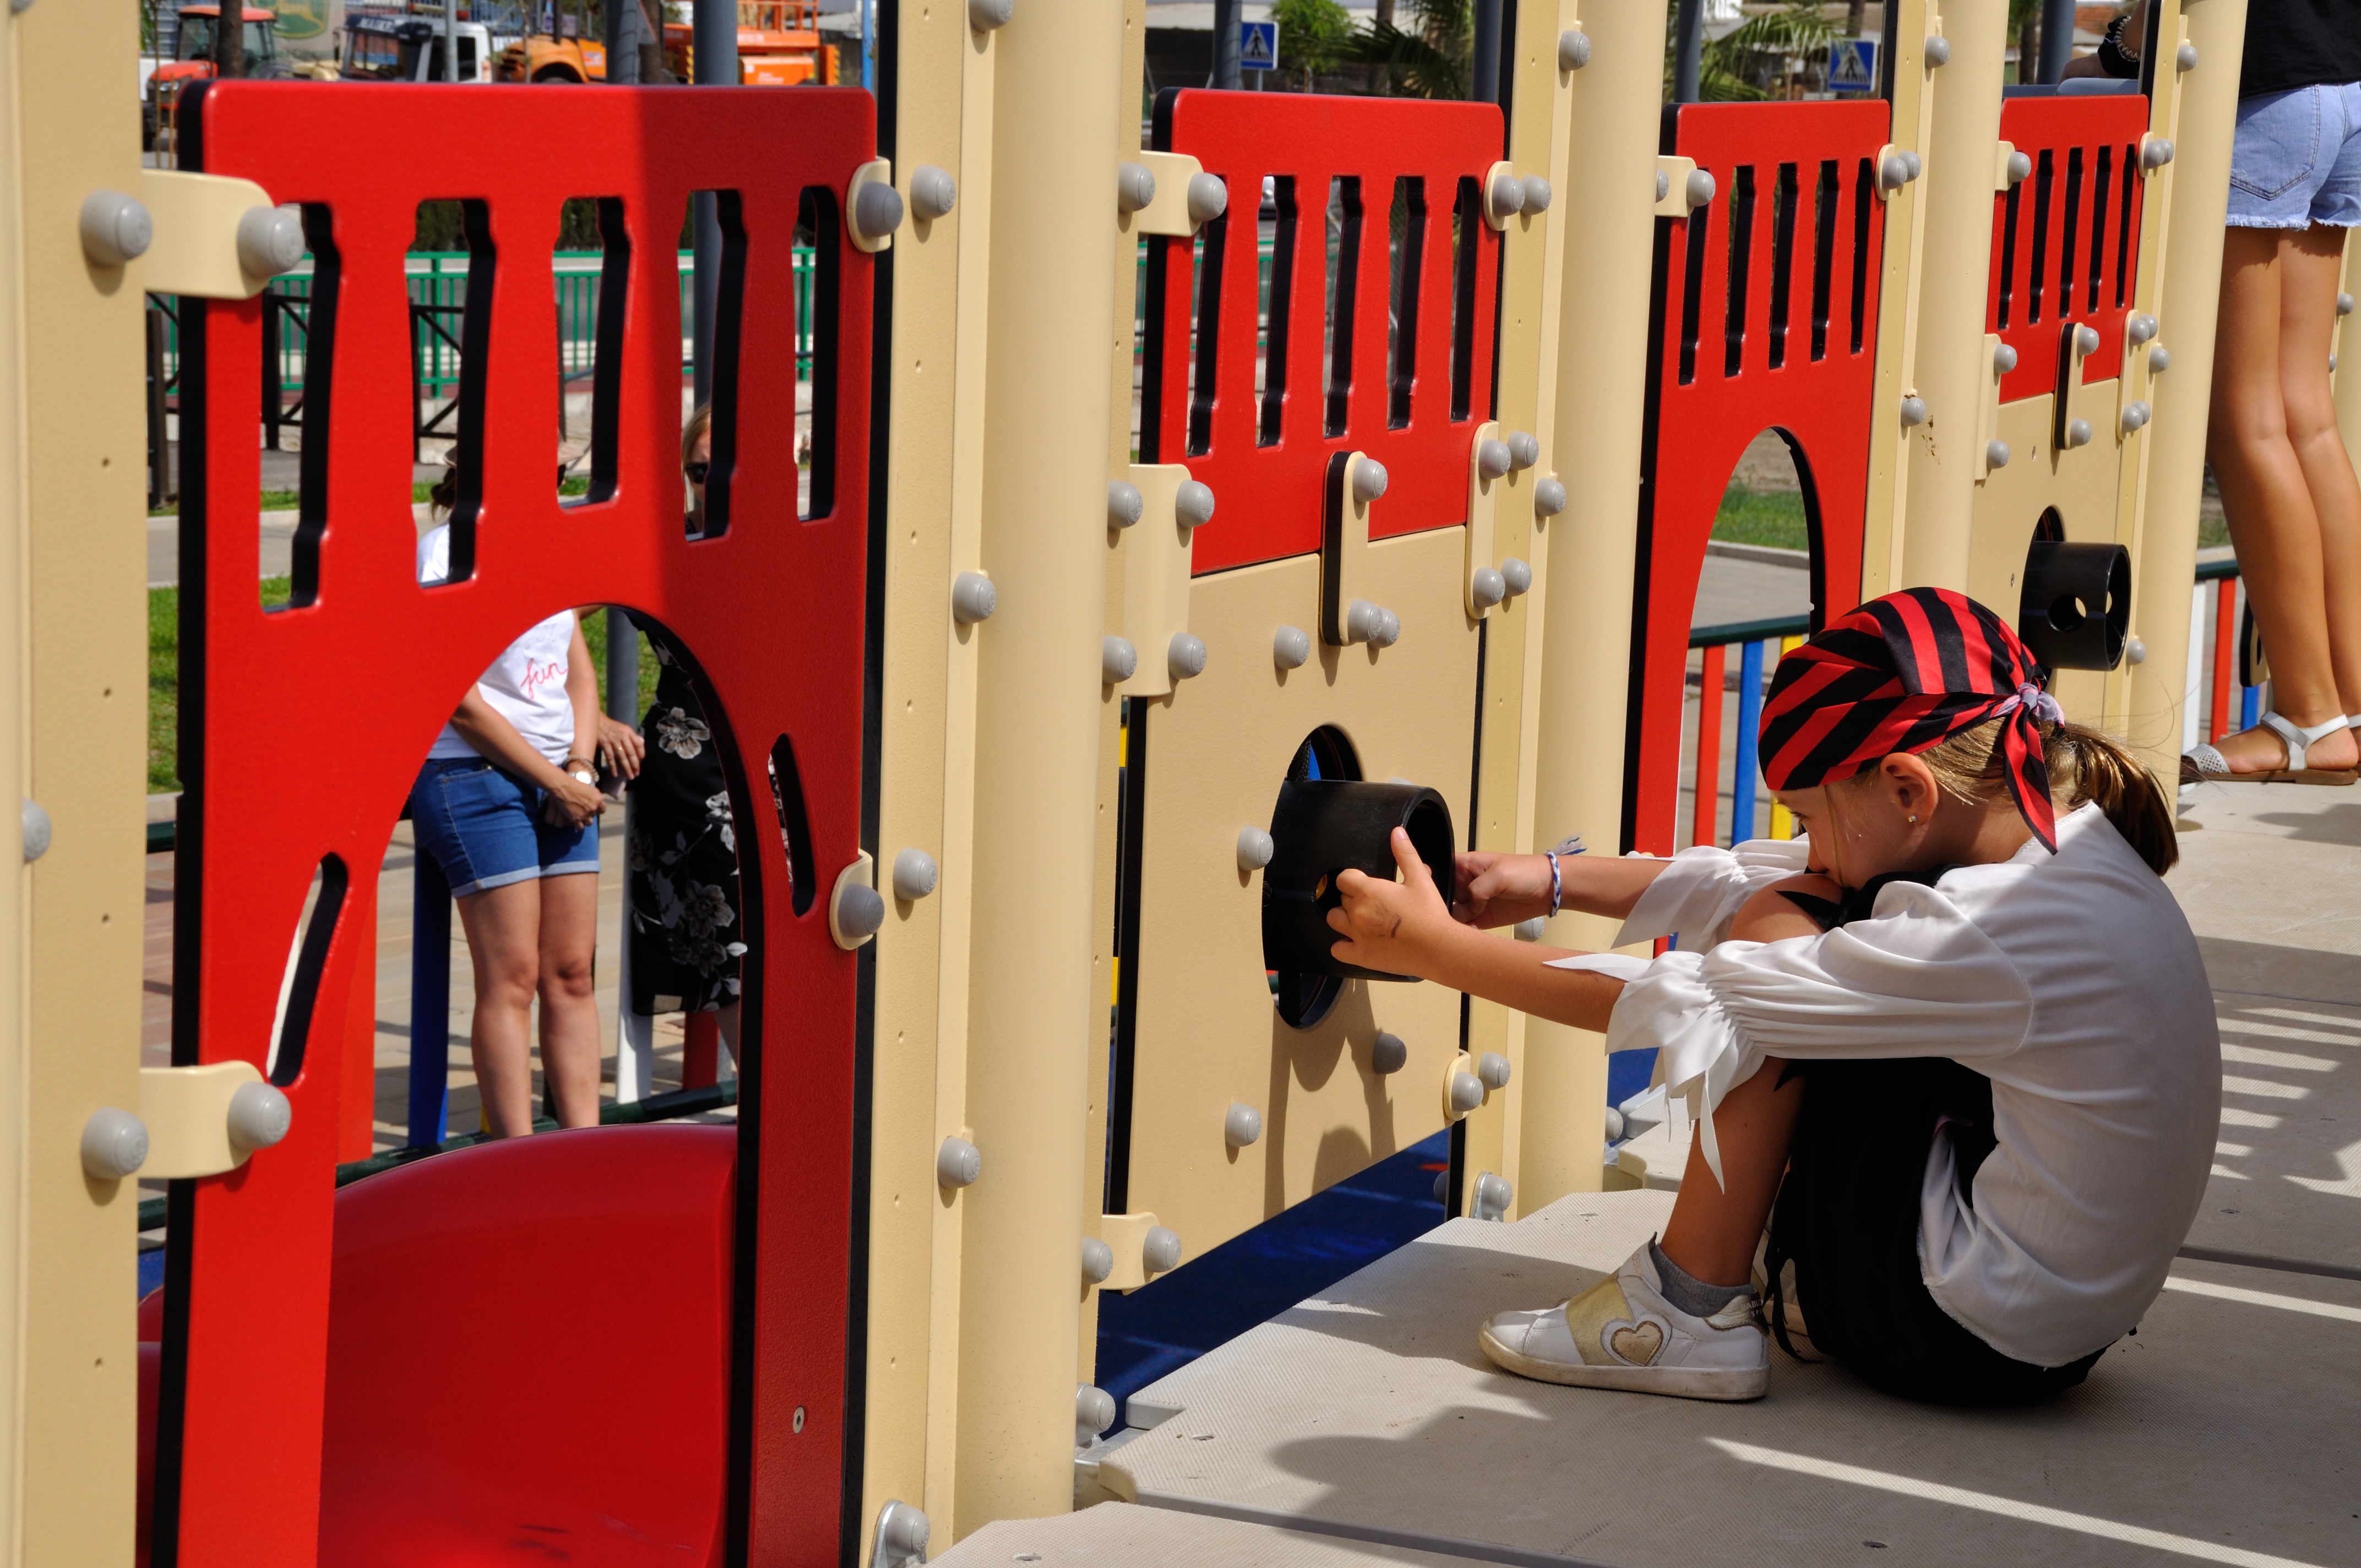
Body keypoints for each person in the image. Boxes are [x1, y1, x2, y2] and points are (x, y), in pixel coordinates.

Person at [1329, 590, 2218, 1406]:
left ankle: (1685, 1308)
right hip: (2051, 1326)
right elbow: (1772, 877)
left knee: (1775, 951)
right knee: (1805, 910)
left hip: (1966, 1336)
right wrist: (1552, 880)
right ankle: (1705, 1291)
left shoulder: (1991, 934)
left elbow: (1705, 999)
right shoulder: (2047, 840)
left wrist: (1433, 950)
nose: (1805, 844)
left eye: (1809, 816)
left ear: (1908, 787)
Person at [407, 471, 641, 1136]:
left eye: (556, 475)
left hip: (558, 774)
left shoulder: (550, 549)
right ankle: (517, 1156)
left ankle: (584, 1149)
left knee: (570, 971)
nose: (553, 486)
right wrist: (558, 779)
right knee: (511, 976)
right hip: (472, 773)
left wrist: (577, 763)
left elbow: (580, 673)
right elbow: (459, 701)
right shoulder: (446, 552)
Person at [2176, 0, 2361, 782]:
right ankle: (2349, 703)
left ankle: (2311, 718)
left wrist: (2120, 48)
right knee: (2303, 408)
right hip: (2347, 89)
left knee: (2244, 416)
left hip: (2268, 91)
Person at [621, 405, 750, 1060]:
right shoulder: (668, 549)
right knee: (734, 957)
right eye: (699, 471)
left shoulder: (795, 552)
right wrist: (589, 718)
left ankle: (784, 1103)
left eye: (727, 470)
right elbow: (550, 615)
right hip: (694, 786)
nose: (712, 486)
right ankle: (771, 1106)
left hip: (776, 776)